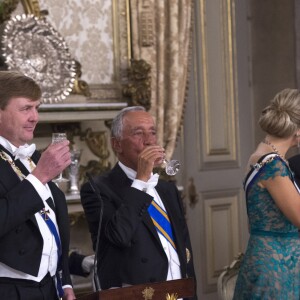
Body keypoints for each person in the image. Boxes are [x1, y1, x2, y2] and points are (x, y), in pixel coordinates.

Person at [80, 106, 197, 299]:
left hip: (179, 291)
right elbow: (118, 236)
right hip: (137, 294)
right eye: (138, 133)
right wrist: (141, 181)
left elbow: (185, 252)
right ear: (117, 144)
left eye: (152, 133)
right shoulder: (97, 188)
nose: (149, 141)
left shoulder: (167, 189)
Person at [0, 71, 76, 300]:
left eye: (37, 108)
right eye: (25, 109)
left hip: (49, 288)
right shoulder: (37, 167)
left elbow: (51, 227)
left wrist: (65, 281)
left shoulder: (27, 159)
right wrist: (40, 175)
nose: (35, 117)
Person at [233, 88, 300, 299]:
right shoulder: (273, 165)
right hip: (276, 267)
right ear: (297, 130)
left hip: (271, 258)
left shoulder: (264, 156)